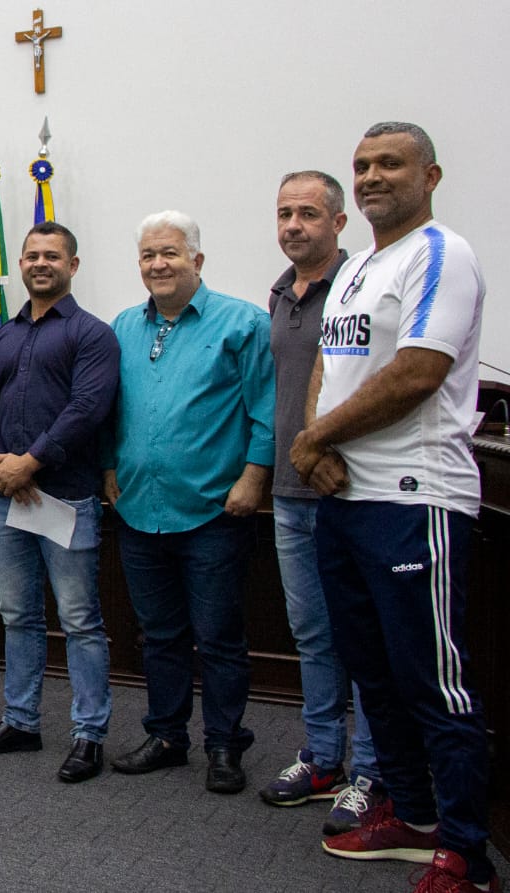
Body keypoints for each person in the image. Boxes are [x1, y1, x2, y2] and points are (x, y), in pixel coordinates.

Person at [294, 122, 496, 893]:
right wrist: (316, 445)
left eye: (390, 164)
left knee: (433, 683)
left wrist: (315, 438)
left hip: (416, 501)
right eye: (363, 165)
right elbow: (327, 361)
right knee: (373, 677)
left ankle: (467, 853)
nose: (373, 175)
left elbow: (417, 371)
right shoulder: (357, 269)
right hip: (345, 499)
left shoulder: (441, 253)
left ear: (430, 176)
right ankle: (412, 815)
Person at [104, 210, 274, 795]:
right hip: (138, 510)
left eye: (170, 253)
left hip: (213, 511)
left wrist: (254, 478)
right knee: (159, 635)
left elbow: (266, 408)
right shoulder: (124, 326)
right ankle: (167, 736)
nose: (158, 264)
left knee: (219, 636)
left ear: (197, 260)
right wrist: (107, 467)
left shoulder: (244, 323)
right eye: (148, 255)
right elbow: (111, 408)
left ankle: (225, 744)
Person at [0, 222, 118, 782]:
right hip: (7, 499)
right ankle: (21, 722)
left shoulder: (92, 334)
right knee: (17, 615)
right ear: (21, 265)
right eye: (32, 256)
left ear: (73, 265)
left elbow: (87, 408)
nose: (40, 263)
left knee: (79, 620)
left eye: (52, 255)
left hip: (66, 497)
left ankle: (89, 734)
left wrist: (32, 462)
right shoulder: (0, 336)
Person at [259, 171, 384, 832]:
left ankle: (372, 770)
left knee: (363, 636)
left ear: (338, 222)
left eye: (308, 213)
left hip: (349, 487)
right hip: (289, 491)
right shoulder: (281, 291)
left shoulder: (362, 285)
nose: (293, 225)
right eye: (285, 213)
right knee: (311, 632)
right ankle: (324, 757)